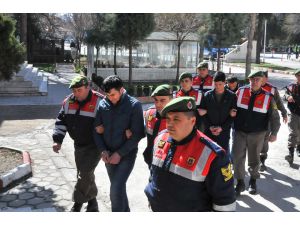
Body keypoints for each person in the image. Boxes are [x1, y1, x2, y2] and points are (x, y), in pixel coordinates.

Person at [144, 97, 236, 212]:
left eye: (176, 119)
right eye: (168, 119)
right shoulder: (160, 138)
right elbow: (154, 174)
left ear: (192, 121)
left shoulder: (213, 155)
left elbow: (225, 203)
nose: (169, 124)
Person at [52, 75, 104, 212]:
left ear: (88, 87)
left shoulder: (100, 101)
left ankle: (77, 204)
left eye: (79, 90)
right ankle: (93, 203)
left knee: (85, 173)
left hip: (95, 145)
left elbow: (110, 123)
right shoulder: (68, 102)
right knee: (85, 174)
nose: (76, 94)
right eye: (74, 90)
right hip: (78, 144)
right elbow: (61, 121)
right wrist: (57, 140)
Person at [93, 75, 145, 212]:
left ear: (121, 90)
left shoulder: (134, 105)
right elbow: (96, 131)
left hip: (126, 155)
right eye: (107, 95)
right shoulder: (103, 104)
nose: (111, 98)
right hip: (108, 155)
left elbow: (137, 135)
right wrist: (103, 150)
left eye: (113, 94)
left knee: (115, 189)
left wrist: (119, 153)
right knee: (118, 188)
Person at [232, 71, 280, 196]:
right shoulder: (240, 91)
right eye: (252, 79)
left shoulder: (269, 97)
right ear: (249, 80)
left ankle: (253, 181)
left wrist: (274, 133)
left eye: (257, 79)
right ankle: (240, 182)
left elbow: (275, 117)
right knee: (237, 157)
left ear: (262, 80)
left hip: (257, 133)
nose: (254, 82)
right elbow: (232, 107)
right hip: (240, 131)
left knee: (254, 159)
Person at [199, 71, 237, 155]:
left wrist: (222, 128)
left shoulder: (231, 96)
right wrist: (210, 126)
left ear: (224, 82)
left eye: (220, 84)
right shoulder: (207, 95)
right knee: (208, 155)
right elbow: (203, 114)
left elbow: (233, 116)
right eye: (215, 84)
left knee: (223, 156)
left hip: (224, 132)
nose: (217, 87)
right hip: (209, 131)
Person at [259, 71, 288, 171]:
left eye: (262, 77)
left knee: (264, 142)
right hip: (254, 119)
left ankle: (262, 162)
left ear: (266, 79)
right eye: (259, 77)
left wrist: (284, 114)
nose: (260, 80)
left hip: (268, 120)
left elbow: (279, 103)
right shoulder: (252, 87)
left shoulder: (272, 89)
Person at [143, 84, 173, 168]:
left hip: (168, 163)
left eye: (162, 100)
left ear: (171, 100)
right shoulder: (149, 113)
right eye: (156, 100)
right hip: (152, 160)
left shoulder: (177, 118)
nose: (158, 104)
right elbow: (142, 132)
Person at [284, 69, 300, 165]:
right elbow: (285, 94)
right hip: (294, 113)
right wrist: (287, 97)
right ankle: (291, 154)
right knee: (293, 133)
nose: (299, 77)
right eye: (298, 76)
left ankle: (299, 148)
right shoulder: (292, 86)